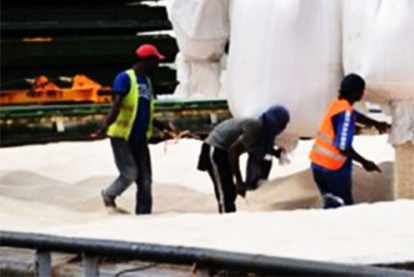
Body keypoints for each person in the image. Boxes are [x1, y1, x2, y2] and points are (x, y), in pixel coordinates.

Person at [91, 43, 177, 214]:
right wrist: (103, 128)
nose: (158, 65)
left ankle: (144, 215)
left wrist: (162, 126)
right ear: (147, 60)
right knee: (130, 173)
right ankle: (109, 194)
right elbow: (116, 106)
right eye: (155, 61)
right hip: (122, 136)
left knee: (145, 180)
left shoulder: (147, 82)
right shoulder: (124, 78)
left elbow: (145, 111)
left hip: (140, 138)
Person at [309, 74, 390, 209]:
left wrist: (375, 123)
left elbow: (354, 115)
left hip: (317, 165)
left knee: (330, 206)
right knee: (343, 210)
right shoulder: (345, 113)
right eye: (362, 90)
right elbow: (343, 147)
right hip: (332, 170)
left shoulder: (337, 104)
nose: (363, 93)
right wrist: (365, 163)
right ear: (356, 92)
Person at [197, 106, 290, 213]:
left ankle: (229, 216)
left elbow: (256, 146)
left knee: (229, 191)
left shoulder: (262, 131)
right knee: (225, 191)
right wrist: (239, 181)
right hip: (215, 149)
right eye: (282, 124)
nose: (283, 128)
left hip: (223, 152)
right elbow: (233, 151)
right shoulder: (255, 127)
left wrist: (276, 152)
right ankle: (226, 220)